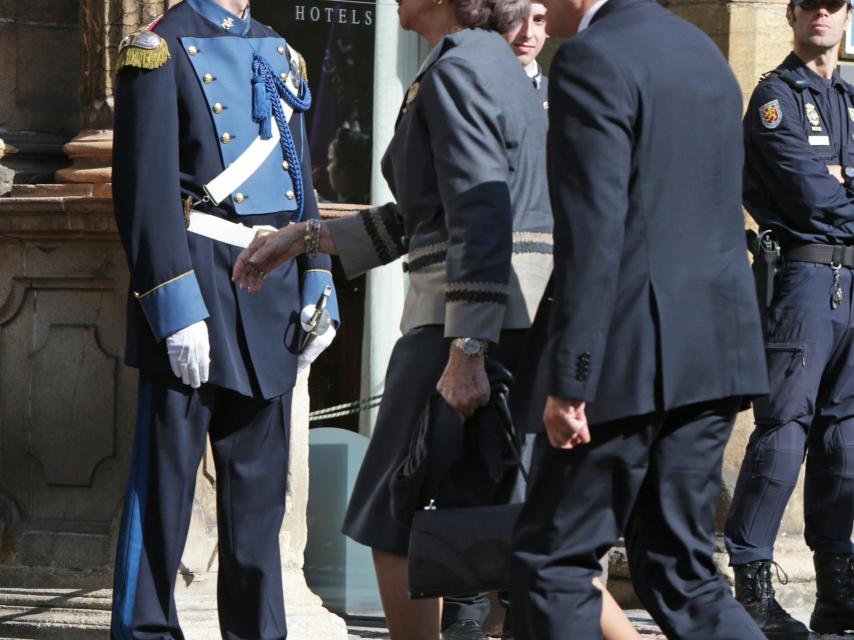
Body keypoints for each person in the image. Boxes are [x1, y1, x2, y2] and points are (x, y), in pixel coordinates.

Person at [233, 0, 554, 638]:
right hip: (496, 317)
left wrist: (468, 349)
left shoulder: (461, 68)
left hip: (457, 321)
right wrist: (304, 238)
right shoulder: (488, 64)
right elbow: (423, 217)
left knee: (390, 509)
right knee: (517, 533)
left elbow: (479, 213)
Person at [507, 0, 770, 638]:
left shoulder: (593, 58)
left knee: (555, 564)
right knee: (681, 572)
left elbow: (593, 234)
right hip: (715, 353)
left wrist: (571, 380)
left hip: (628, 361)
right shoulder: (703, 55)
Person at [109, 0, 338, 638]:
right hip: (198, 280)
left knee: (259, 505)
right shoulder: (158, 46)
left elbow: (302, 181)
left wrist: (318, 279)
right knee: (165, 493)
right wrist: (173, 303)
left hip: (272, 290)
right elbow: (144, 190)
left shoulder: (276, 47)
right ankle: (145, 630)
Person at [724, 0, 854, 636]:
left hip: (853, 278)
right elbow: (811, 195)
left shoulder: (852, 98)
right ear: (792, 14)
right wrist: (839, 183)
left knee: (845, 439)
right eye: (812, 6)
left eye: (835, 5)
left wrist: (839, 183)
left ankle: (837, 589)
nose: (823, 16)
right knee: (783, 431)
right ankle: (750, 585)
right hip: (802, 280)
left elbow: (834, 194)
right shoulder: (775, 97)